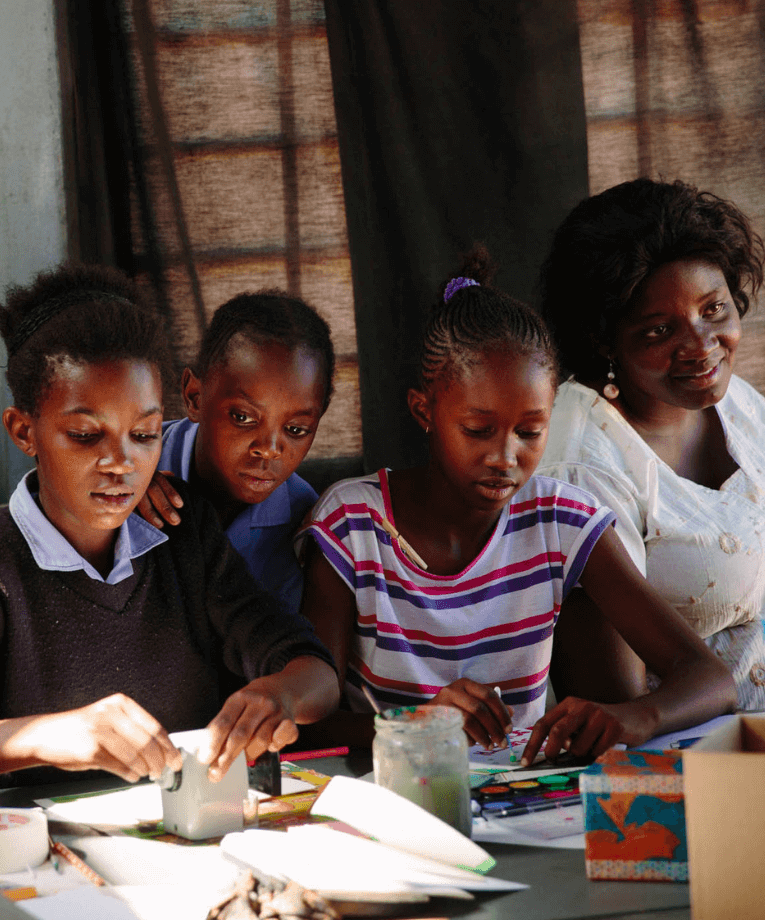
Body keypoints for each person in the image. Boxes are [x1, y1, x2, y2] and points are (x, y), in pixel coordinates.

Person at [298, 247, 736, 764]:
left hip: (527, 801)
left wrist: (633, 716)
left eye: (531, 431)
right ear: (425, 410)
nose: (505, 458)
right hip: (395, 803)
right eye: (478, 431)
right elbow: (308, 723)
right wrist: (420, 726)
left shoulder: (561, 522)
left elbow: (710, 679)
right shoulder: (353, 525)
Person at [0, 264, 339, 786]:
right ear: (24, 430)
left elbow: (315, 672)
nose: (121, 462)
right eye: (86, 435)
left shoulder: (184, 536)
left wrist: (280, 695)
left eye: (145, 434)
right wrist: (50, 736)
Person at [538, 177, 765, 710]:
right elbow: (615, 712)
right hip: (692, 764)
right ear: (603, 339)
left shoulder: (742, 407)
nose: (702, 347)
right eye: (659, 331)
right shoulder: (581, 465)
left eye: (713, 310)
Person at [138, 291, 334, 617]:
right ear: (195, 397)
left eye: (296, 429)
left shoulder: (306, 526)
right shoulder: (129, 463)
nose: (269, 449)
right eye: (243, 417)